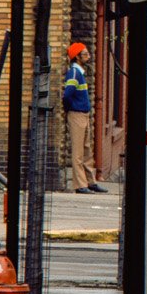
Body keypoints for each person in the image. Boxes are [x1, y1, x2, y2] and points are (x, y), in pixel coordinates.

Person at [63, 43, 101, 193]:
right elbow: (67, 95)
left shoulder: (79, 73)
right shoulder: (73, 73)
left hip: (83, 114)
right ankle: (80, 185)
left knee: (86, 149)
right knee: (78, 151)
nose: (88, 56)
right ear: (77, 57)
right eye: (85, 54)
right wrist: (70, 108)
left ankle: (90, 181)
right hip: (76, 114)